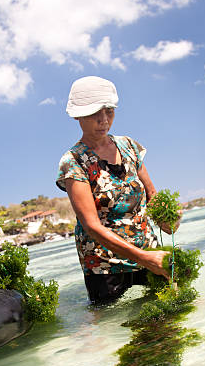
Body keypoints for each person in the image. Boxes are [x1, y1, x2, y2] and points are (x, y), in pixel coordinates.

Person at [56, 76, 180, 303]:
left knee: (171, 317)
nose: (104, 120)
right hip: (105, 266)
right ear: (77, 115)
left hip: (149, 251)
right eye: (95, 113)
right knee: (114, 329)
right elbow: (91, 226)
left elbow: (152, 195)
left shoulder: (129, 146)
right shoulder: (73, 161)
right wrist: (142, 258)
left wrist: (169, 218)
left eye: (109, 111)